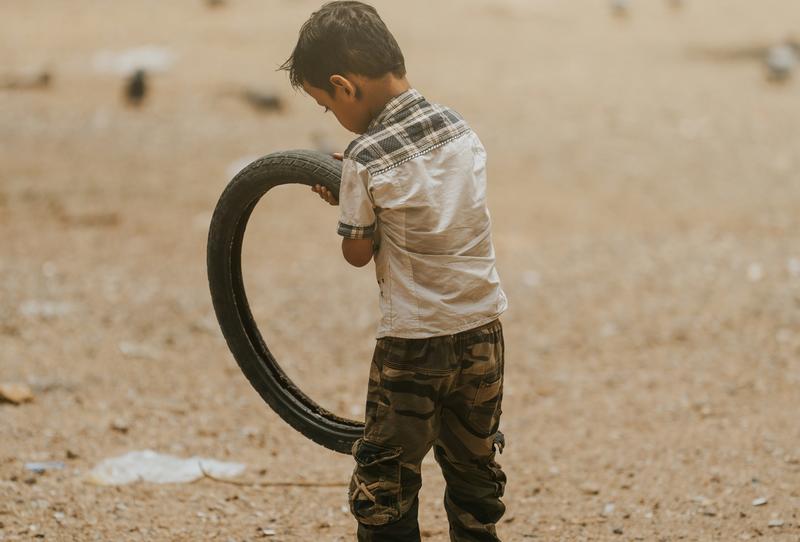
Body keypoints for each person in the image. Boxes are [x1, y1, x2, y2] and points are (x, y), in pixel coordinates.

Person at [281, 2, 509, 540]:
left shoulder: (365, 157)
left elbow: (358, 253)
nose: (332, 115)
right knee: (474, 468)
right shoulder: (459, 128)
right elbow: (431, 213)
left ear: (344, 87)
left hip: (415, 343)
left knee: (386, 480)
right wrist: (362, 192)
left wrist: (351, 198)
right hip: (483, 331)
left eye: (326, 105)